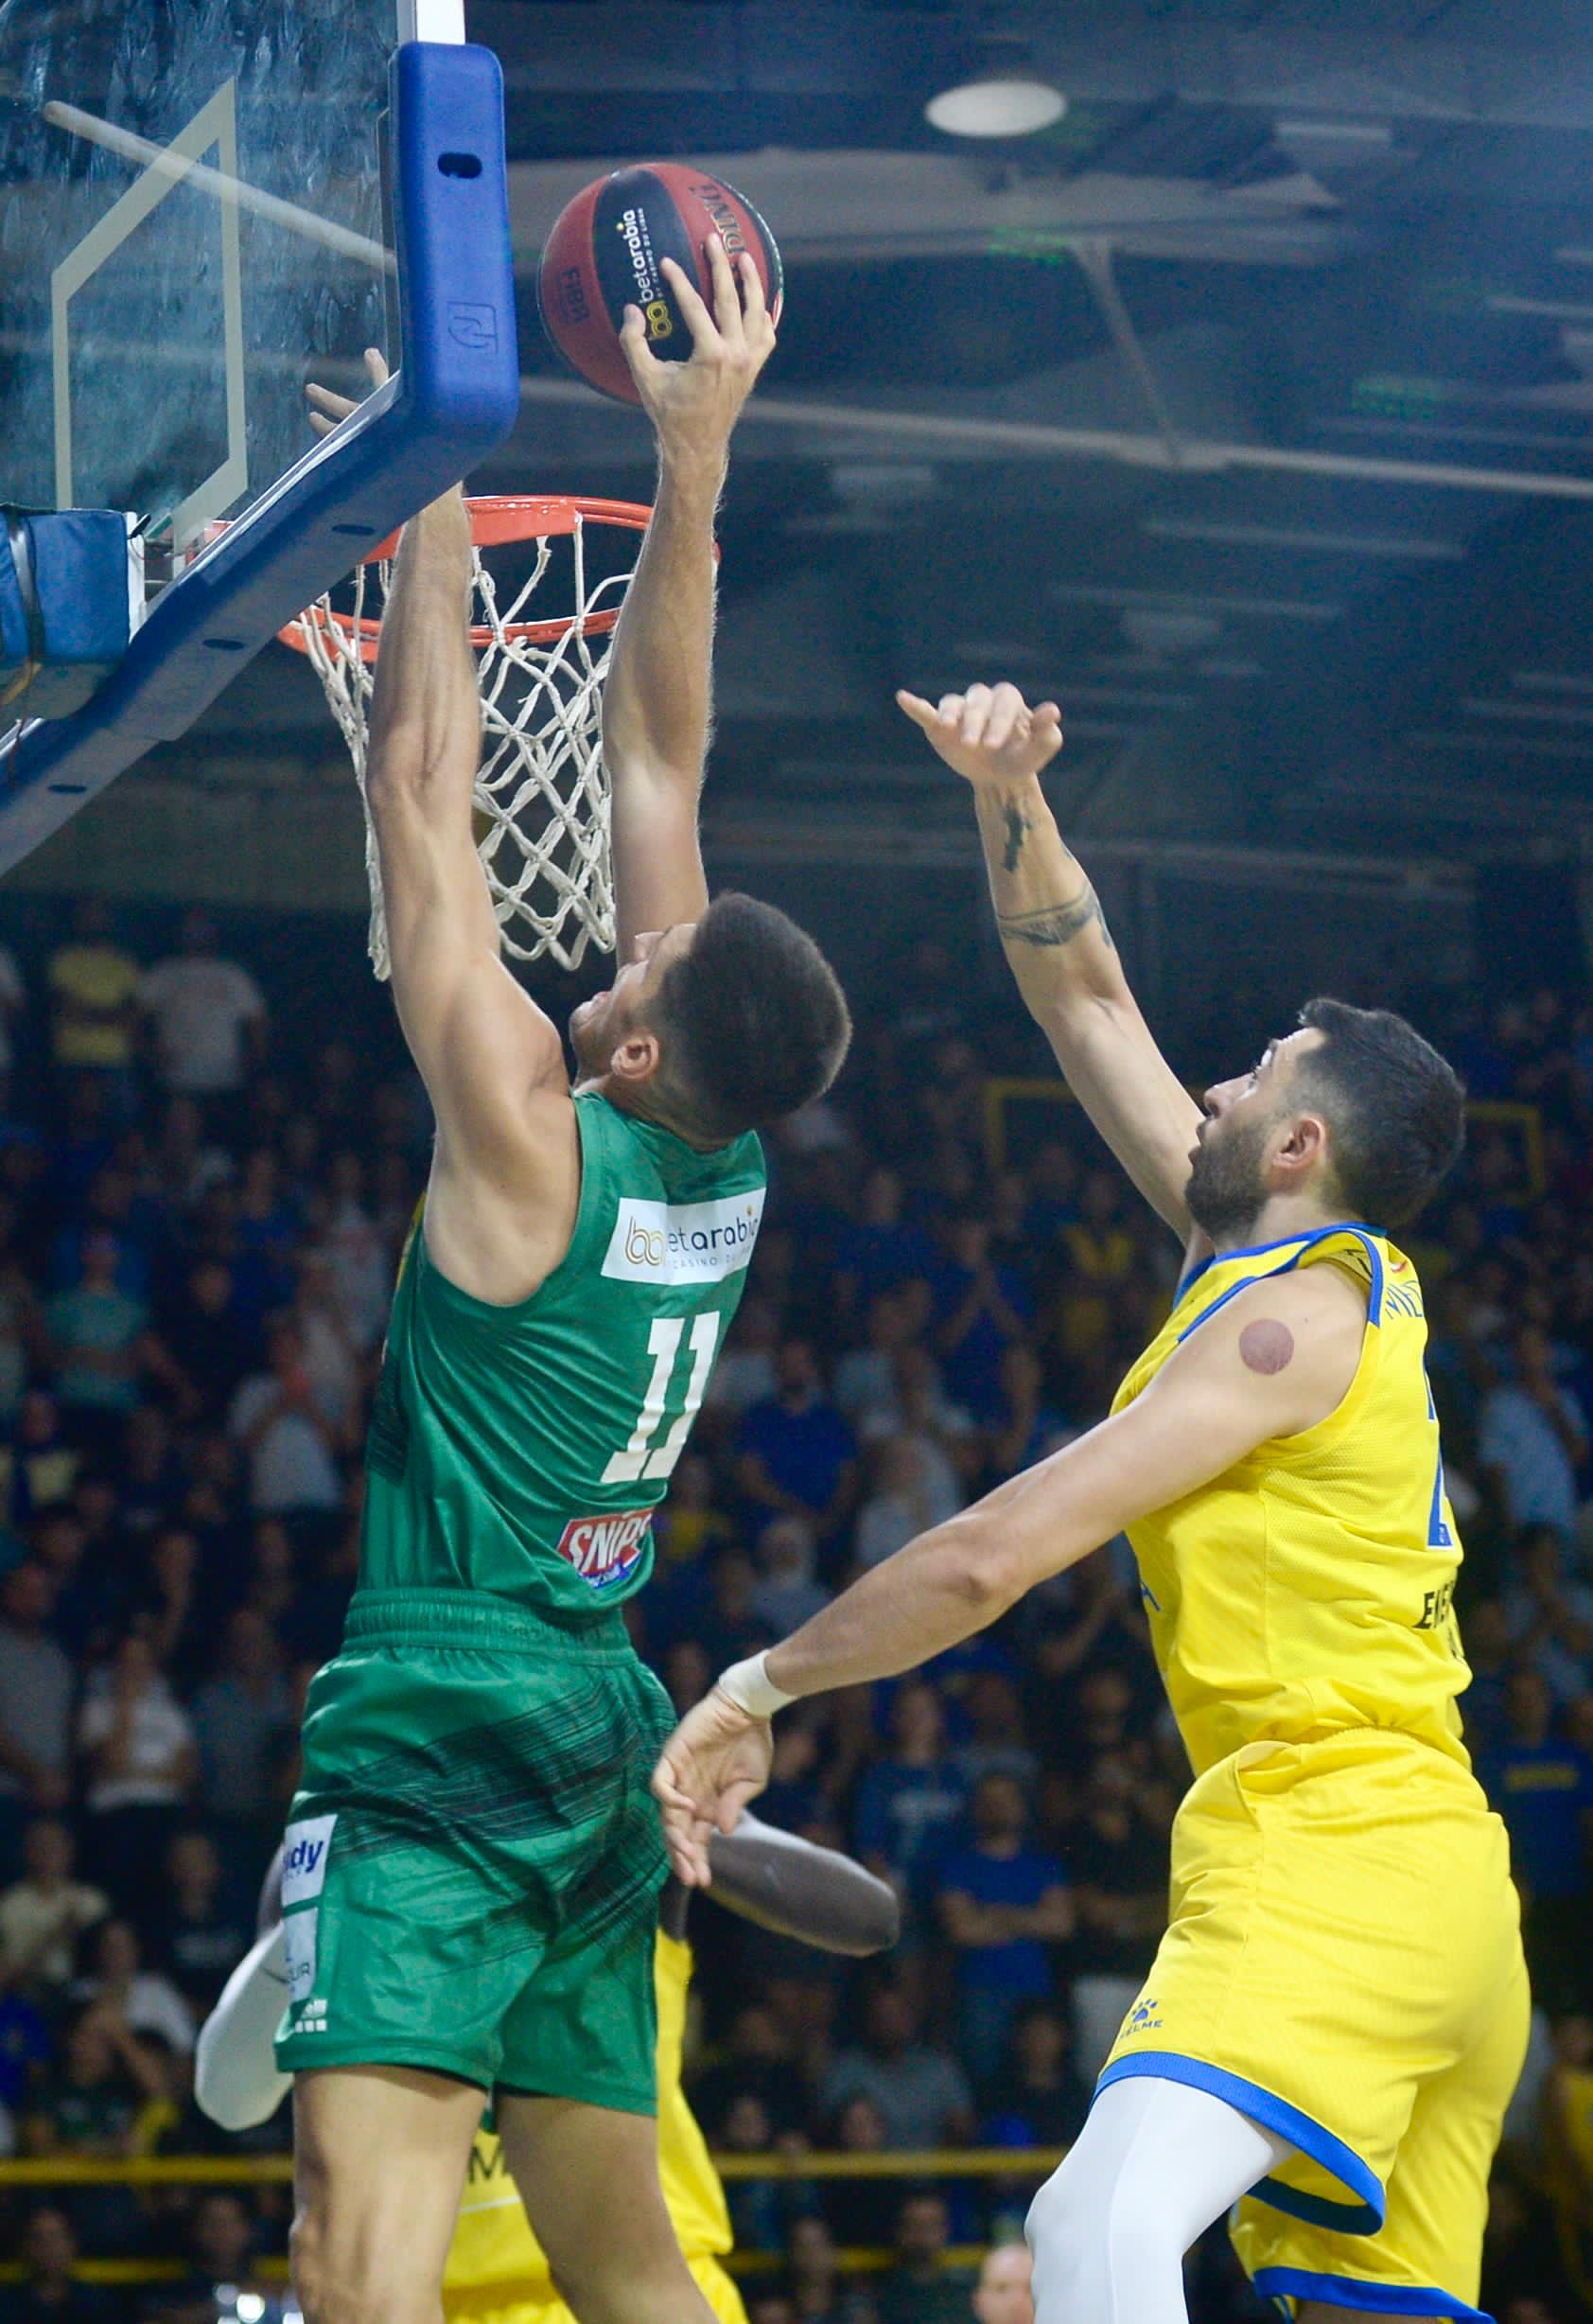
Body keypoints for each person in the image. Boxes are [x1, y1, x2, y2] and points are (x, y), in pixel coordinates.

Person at [655, 681, 1522, 2324]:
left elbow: (991, 1557)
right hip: (1438, 1882)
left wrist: (756, 1689)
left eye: (1252, 1077)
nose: (1216, 1089)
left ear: (1298, 1144)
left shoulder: (1282, 1330)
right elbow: (1084, 994)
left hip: (1330, 1846)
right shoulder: (1264, 1257)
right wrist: (1008, 792)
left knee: (1089, 2233)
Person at [277, 242, 850, 2324]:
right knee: (630, 2271)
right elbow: (657, 767)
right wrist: (692, 460)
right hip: (598, 1715)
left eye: (641, 960)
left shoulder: (534, 1129)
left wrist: (426, 477)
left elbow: (419, 792)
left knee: (357, 2259)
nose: (628, 933)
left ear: (634, 1042)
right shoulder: (718, 1155)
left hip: (443, 1710)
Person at [195, 1816, 898, 2324]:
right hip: (438, 2301)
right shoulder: (338, 1836)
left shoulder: (625, 1793)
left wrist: (665, 1819)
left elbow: (871, 1916)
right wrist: (311, 1924)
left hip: (653, 2286)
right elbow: (231, 2098)